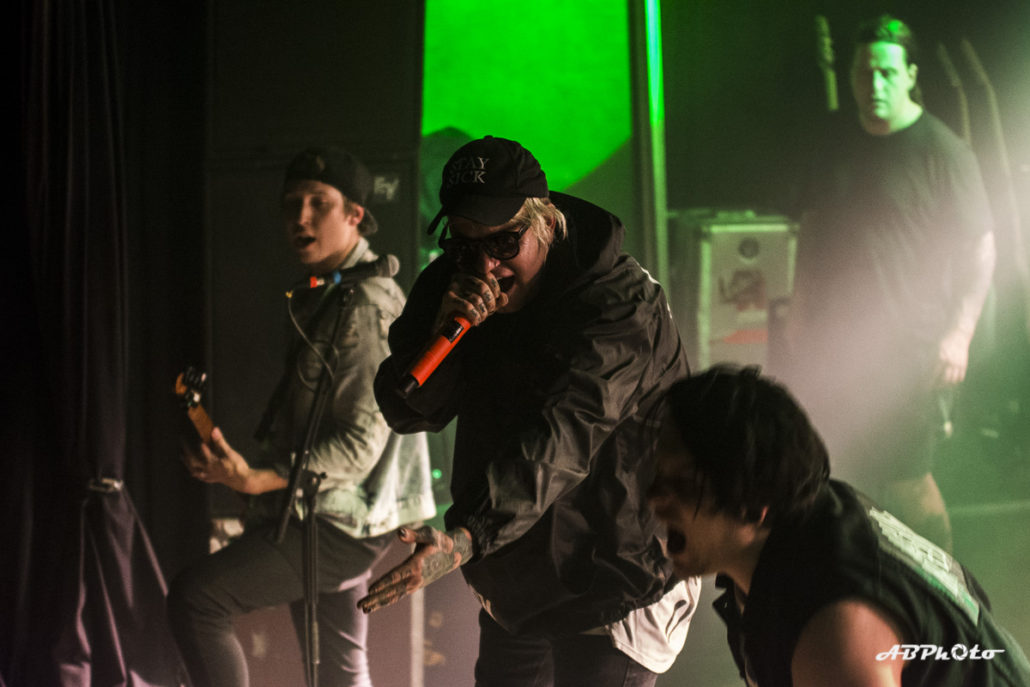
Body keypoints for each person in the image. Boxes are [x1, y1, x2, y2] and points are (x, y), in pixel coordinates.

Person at [361, 135, 700, 686]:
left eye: (503, 242)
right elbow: (408, 411)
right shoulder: (453, 283)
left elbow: (564, 438)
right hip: (518, 572)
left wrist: (467, 536)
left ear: (546, 222)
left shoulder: (619, 304)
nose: (486, 265)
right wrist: (441, 333)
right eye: (465, 245)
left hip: (616, 572)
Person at [167, 146, 436, 687]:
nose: (301, 217)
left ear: (355, 214)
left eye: (319, 203)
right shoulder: (329, 294)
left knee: (198, 600)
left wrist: (259, 478)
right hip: (332, 509)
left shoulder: (364, 305)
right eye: (292, 204)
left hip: (343, 520)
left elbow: (358, 446)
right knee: (339, 665)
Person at [648, 365, 1030, 686]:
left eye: (680, 485)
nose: (653, 498)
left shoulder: (836, 636)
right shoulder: (804, 522)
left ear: (751, 507)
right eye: (657, 475)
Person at [784, 14, 996, 551]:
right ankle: (860, 579)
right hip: (836, 339)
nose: (873, 84)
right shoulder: (835, 142)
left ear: (910, 76)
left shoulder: (944, 152)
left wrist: (958, 336)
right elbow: (813, 226)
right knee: (838, 465)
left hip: (910, 348)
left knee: (907, 481)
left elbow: (981, 250)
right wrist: (800, 307)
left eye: (886, 73)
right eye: (864, 73)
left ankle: (945, 588)